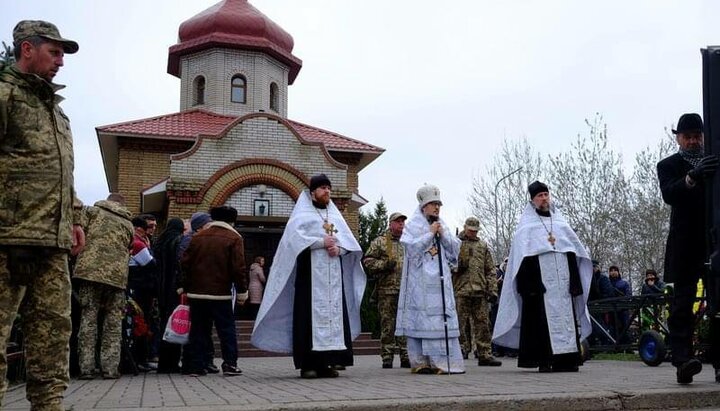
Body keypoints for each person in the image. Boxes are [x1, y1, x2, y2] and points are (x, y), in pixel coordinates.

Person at [0, 20, 84, 410]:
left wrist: (76, 220)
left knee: (52, 335)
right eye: (55, 51)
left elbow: (62, 173)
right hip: (8, 240)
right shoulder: (4, 96)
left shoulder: (57, 114)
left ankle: (49, 406)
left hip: (52, 245)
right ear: (27, 49)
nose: (61, 61)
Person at [251, 174, 366, 379]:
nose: (327, 192)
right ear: (312, 192)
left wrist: (338, 250)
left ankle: (328, 363)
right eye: (322, 188)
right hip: (310, 279)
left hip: (333, 282)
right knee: (308, 318)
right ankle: (308, 365)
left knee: (333, 318)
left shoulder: (335, 215)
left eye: (328, 188)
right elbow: (293, 243)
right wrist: (322, 243)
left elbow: (349, 244)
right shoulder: (302, 214)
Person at [492, 181, 592, 373]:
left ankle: (567, 361)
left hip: (563, 287)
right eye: (540, 196)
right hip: (540, 289)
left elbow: (573, 253)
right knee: (542, 325)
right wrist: (530, 287)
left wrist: (574, 283)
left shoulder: (561, 224)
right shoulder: (526, 228)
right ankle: (545, 360)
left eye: (546, 194)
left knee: (566, 322)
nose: (544, 198)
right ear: (532, 201)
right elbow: (522, 261)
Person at [657, 112, 720, 384]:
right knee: (683, 303)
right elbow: (669, 193)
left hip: (713, 240)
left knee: (717, 302)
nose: (693, 141)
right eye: (688, 137)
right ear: (679, 138)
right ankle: (683, 360)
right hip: (685, 243)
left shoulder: (714, 160)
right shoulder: (669, 165)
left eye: (697, 136)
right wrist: (692, 177)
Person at [395, 184, 464, 375]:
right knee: (423, 323)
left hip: (441, 282)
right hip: (420, 283)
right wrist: (430, 234)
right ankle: (421, 362)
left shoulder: (442, 224)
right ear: (423, 206)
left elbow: (455, 250)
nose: (437, 208)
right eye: (433, 204)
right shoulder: (414, 226)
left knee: (441, 321)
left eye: (439, 204)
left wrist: (442, 234)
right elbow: (411, 250)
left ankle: (443, 363)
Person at [180, 206, 247, 377]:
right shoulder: (234, 237)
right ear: (232, 221)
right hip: (221, 293)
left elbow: (185, 263)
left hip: (196, 293)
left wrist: (184, 286)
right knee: (226, 330)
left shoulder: (197, 237)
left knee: (199, 329)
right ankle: (230, 364)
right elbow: (238, 268)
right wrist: (242, 291)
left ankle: (197, 365)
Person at [73, 194, 134, 380]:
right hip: (117, 278)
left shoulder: (91, 212)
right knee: (113, 323)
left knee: (88, 319)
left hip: (89, 274)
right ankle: (110, 369)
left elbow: (76, 234)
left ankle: (86, 368)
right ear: (122, 205)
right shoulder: (129, 224)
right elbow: (129, 248)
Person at [363, 211, 410, 369]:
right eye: (397, 222)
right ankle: (387, 356)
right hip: (386, 291)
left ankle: (406, 355)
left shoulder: (408, 243)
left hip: (406, 292)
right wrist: (383, 265)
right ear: (390, 224)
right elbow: (367, 261)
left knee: (405, 324)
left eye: (402, 222)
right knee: (388, 325)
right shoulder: (381, 242)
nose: (401, 225)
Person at [453, 216, 501, 366]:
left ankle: (484, 353)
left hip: (479, 290)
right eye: (470, 230)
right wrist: (459, 265)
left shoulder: (483, 246)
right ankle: (459, 350)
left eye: (475, 231)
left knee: (482, 324)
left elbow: (490, 270)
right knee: (459, 324)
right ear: (465, 227)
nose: (473, 233)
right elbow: (448, 265)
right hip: (461, 290)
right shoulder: (456, 244)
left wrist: (492, 290)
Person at [153, 218, 185, 373]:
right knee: (175, 325)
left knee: (164, 325)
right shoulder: (178, 241)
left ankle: (163, 362)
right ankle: (172, 363)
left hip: (161, 289)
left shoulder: (160, 242)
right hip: (173, 290)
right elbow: (179, 265)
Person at [127, 216, 157, 371]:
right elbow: (150, 264)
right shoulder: (138, 244)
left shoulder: (140, 242)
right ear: (139, 228)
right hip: (141, 290)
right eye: (149, 227)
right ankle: (140, 359)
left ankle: (141, 358)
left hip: (138, 289)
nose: (152, 230)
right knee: (141, 323)